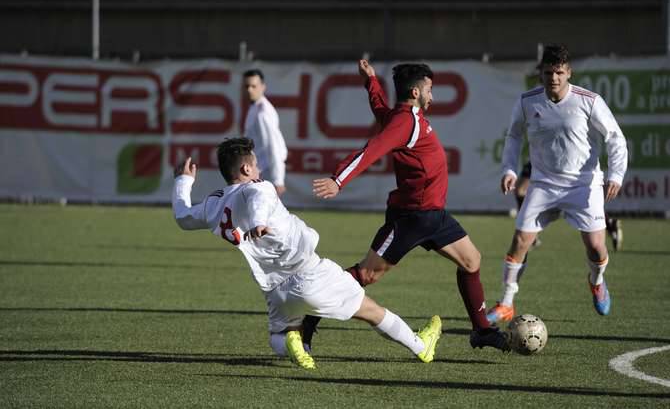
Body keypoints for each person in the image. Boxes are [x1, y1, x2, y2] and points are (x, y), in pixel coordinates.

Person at [172, 137, 443, 370]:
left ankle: (293, 341)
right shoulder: (259, 186)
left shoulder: (214, 203)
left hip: (275, 290)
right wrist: (257, 222)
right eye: (255, 164)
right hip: (308, 273)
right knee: (371, 310)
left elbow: (183, 217)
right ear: (246, 168)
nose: (259, 168)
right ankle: (421, 346)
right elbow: (257, 199)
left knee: (276, 336)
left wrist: (183, 182)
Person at [309, 60, 509, 352]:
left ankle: (482, 331)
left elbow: (382, 114)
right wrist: (338, 180)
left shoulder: (403, 117)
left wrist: (371, 83)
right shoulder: (406, 122)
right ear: (415, 91)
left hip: (434, 215)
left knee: (472, 261)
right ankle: (311, 312)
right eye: (429, 89)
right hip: (411, 217)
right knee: (366, 275)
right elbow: (372, 149)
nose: (433, 95)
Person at [487, 44, 628, 324]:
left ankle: (597, 281)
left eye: (559, 72)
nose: (554, 78)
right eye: (549, 72)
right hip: (543, 183)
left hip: (583, 184)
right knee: (520, 240)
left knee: (597, 247)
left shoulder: (589, 101)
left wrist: (615, 175)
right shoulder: (528, 101)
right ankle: (506, 303)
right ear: (541, 73)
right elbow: (513, 136)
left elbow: (615, 138)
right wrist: (509, 169)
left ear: (569, 73)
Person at [242, 69, 288, 196]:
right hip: (256, 173)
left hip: (265, 174)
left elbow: (273, 146)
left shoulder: (263, 113)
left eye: (253, 86)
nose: (249, 90)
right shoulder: (254, 108)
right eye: (246, 86)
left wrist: (278, 179)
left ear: (262, 87)